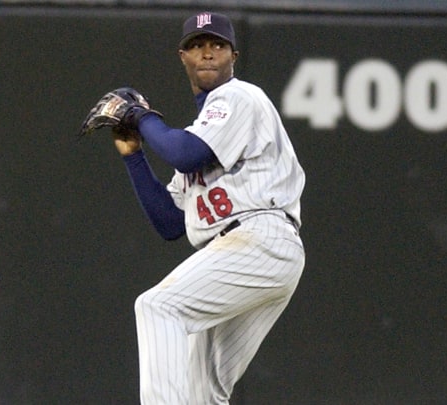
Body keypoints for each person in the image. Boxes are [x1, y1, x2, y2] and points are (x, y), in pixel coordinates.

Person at [110, 11, 306, 404]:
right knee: (203, 391)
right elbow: (169, 222)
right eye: (196, 46)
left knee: (158, 306)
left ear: (233, 54)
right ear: (182, 56)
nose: (207, 54)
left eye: (217, 45)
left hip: (260, 238)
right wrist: (133, 154)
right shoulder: (206, 130)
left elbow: (183, 153)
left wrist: (140, 115)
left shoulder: (238, 97)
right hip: (252, 253)